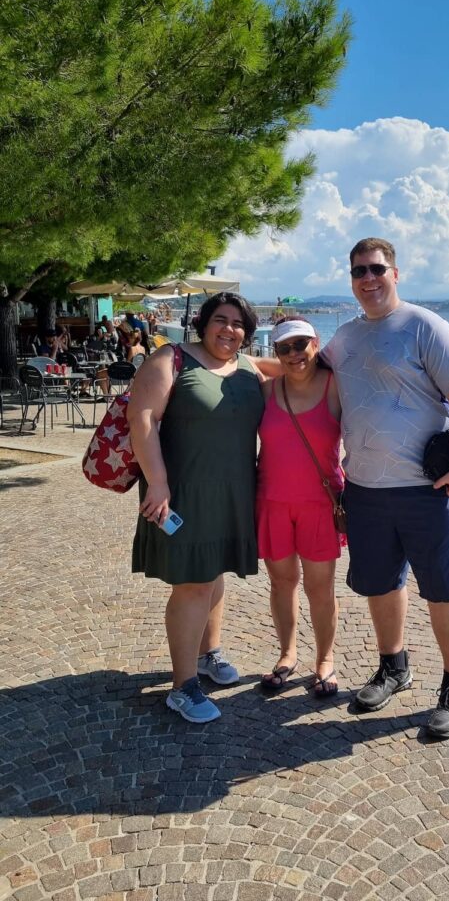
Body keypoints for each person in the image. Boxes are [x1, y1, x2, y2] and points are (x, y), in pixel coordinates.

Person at [322, 238, 449, 739]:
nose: (367, 279)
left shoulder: (425, 326)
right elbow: (302, 376)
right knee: (381, 583)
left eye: (376, 269)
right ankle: (394, 666)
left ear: (396, 273)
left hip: (427, 488)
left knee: (444, 587)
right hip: (366, 488)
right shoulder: (345, 338)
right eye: (358, 272)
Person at [127, 291, 266, 723]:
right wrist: (158, 483)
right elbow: (142, 419)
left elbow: (305, 368)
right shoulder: (171, 359)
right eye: (221, 319)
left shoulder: (248, 367)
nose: (230, 329)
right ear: (203, 323)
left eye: (239, 323)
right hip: (180, 492)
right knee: (192, 583)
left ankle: (209, 653)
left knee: (214, 571)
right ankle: (183, 685)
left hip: (232, 492)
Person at [256, 316, 343, 697]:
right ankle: (287, 654)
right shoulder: (266, 390)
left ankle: (325, 658)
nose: (294, 354)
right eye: (284, 348)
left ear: (315, 343)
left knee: (320, 587)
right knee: (282, 583)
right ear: (275, 352)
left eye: (301, 345)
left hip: (320, 504)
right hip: (272, 501)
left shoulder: (335, 386)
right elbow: (243, 363)